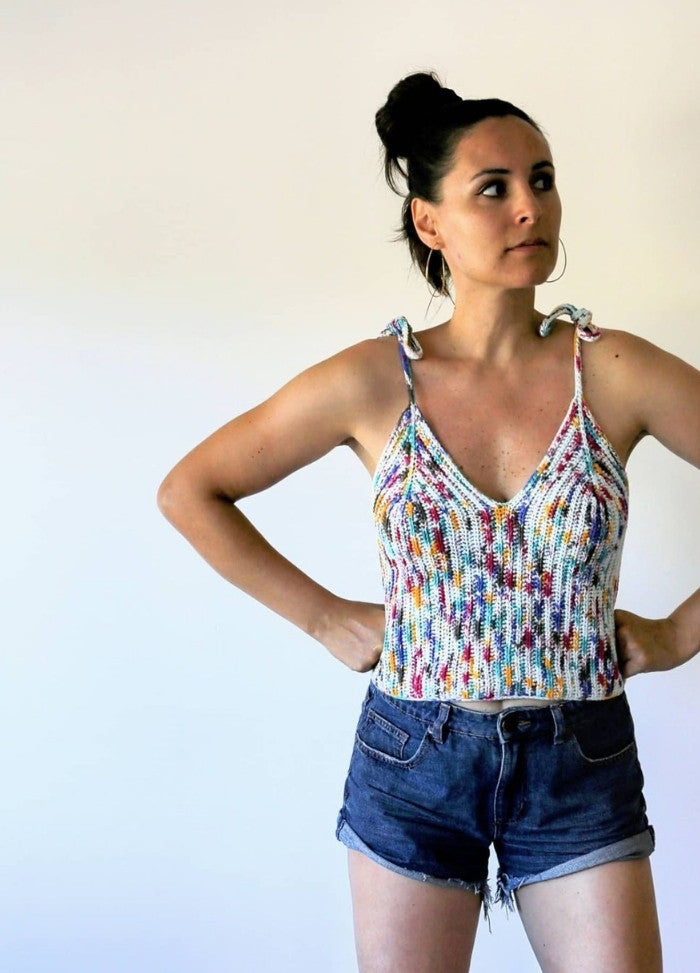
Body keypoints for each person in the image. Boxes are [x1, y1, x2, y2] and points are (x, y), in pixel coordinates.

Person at [157, 71, 700, 972]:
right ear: (430, 221)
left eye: (542, 177)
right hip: (414, 758)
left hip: (580, 763)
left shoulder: (611, 371)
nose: (530, 205)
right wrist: (325, 616)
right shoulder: (375, 381)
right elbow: (191, 489)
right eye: (494, 188)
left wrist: (683, 631)